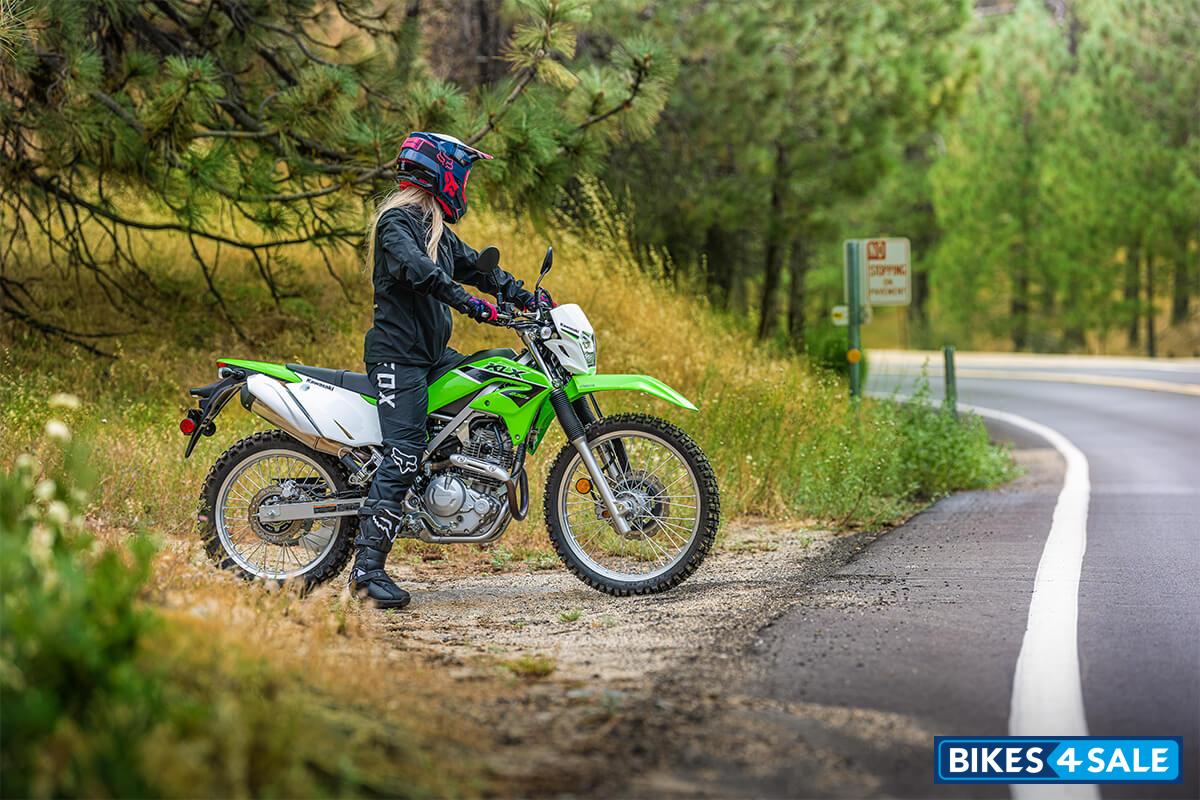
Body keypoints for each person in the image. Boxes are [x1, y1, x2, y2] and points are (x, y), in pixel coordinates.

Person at [351, 132, 551, 609]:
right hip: (398, 359)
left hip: (430, 355)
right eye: (463, 174)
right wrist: (469, 304)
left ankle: (458, 479)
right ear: (442, 173)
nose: (466, 185)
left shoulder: (434, 226)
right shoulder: (397, 223)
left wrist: (524, 297)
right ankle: (366, 570)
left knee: (492, 377)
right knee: (405, 451)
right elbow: (423, 272)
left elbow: (478, 269)